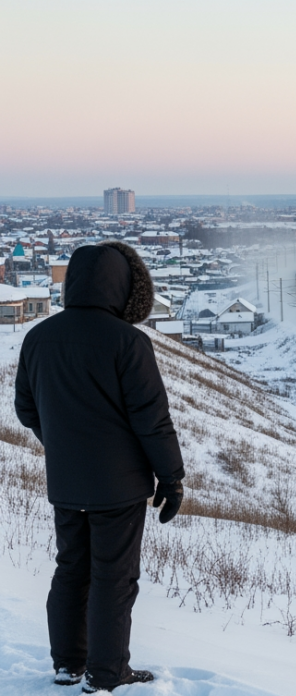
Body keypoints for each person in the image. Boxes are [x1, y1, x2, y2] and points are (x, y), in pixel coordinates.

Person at [14, 241, 186, 693]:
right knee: (114, 576)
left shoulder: (38, 337)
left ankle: (69, 665)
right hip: (120, 486)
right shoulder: (128, 341)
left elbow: (26, 408)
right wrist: (170, 478)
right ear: (126, 287)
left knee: (71, 568)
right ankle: (107, 673)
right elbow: (152, 419)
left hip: (66, 481)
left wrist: (63, 444)